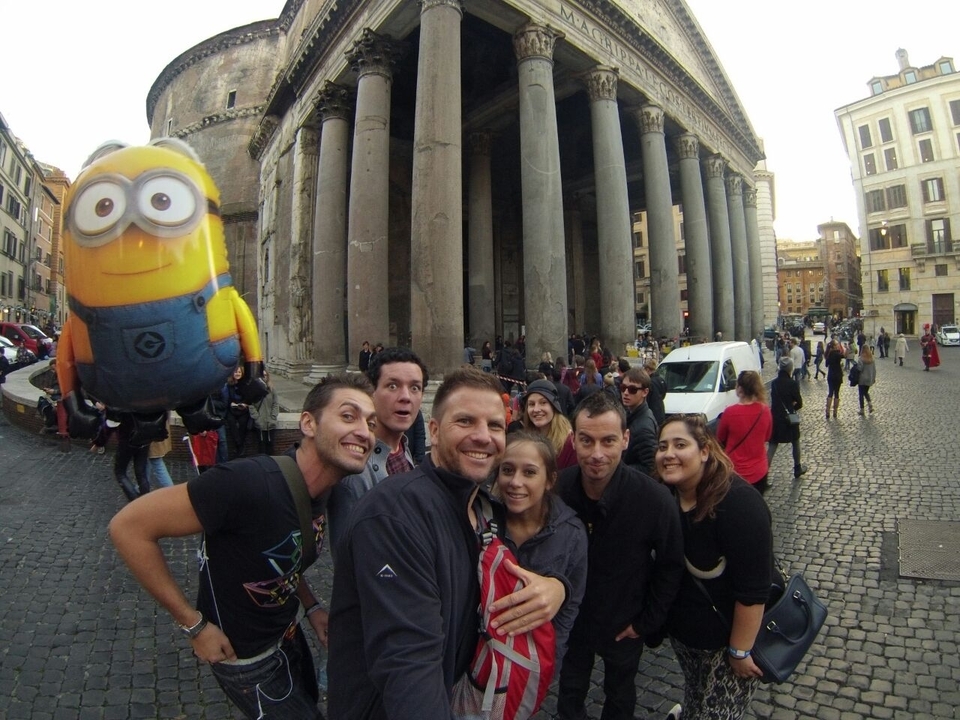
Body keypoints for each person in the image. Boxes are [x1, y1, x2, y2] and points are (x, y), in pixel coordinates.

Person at [109, 374, 377, 720]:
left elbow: (282, 558)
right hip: (246, 662)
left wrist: (311, 607)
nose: (365, 431)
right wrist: (194, 625)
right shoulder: (248, 483)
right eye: (348, 415)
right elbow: (128, 527)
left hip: (288, 638)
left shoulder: (323, 488)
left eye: (371, 423)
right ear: (308, 423)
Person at [327, 367, 566, 719]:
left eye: (495, 426)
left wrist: (559, 586)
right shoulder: (394, 514)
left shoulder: (480, 507)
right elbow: (408, 661)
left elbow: (562, 530)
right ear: (434, 431)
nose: (483, 437)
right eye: (466, 421)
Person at [555, 391, 684, 720]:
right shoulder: (558, 489)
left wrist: (646, 622)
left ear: (625, 439)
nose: (597, 454)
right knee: (569, 694)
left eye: (608, 441)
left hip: (624, 623)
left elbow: (670, 566)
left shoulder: (654, 500)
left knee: (621, 696)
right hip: (574, 622)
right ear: (574, 439)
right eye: (586, 441)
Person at [655, 414, 775, 720]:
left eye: (680, 444)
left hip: (726, 646)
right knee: (694, 697)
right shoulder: (666, 496)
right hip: (687, 639)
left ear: (705, 451)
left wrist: (739, 651)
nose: (668, 453)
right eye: (662, 446)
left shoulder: (739, 504)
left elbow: (753, 590)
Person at [495, 431, 588, 670]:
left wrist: (549, 662)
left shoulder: (571, 533)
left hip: (533, 662)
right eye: (507, 470)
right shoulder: (483, 520)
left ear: (549, 480)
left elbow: (570, 605)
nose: (515, 482)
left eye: (529, 472)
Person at [328, 347, 428, 555]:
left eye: (415, 388)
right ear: (371, 393)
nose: (405, 397)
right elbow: (350, 559)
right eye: (392, 386)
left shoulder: (403, 449)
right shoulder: (354, 474)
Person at [717, 371, 774, 493]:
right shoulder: (765, 410)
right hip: (759, 470)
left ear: (740, 389)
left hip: (735, 471)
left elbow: (720, 439)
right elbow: (767, 436)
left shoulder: (729, 412)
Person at [509, 378, 578, 470]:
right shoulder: (523, 439)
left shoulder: (570, 443)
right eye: (531, 404)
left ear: (554, 407)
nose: (536, 409)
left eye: (543, 403)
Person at [768, 358, 807, 479]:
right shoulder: (792, 384)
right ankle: (797, 467)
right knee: (795, 442)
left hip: (775, 417)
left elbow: (773, 401)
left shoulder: (774, 383)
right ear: (790, 368)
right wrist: (792, 405)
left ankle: (764, 472)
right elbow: (799, 403)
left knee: (773, 445)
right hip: (789, 418)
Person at [620, 367, 659, 476]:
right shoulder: (633, 414)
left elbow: (651, 467)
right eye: (623, 388)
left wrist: (619, 468)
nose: (626, 393)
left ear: (645, 392)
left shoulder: (643, 428)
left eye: (632, 389)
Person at [249, 370, 279, 455]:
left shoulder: (272, 389)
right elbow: (251, 405)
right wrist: (257, 417)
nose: (264, 377)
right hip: (260, 424)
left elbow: (275, 403)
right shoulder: (254, 390)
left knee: (271, 446)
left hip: (270, 423)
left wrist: (273, 416)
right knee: (261, 447)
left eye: (265, 375)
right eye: (262, 375)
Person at [224, 365, 252, 458]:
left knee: (243, 423)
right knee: (231, 422)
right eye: (236, 372)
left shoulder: (245, 384)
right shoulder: (229, 385)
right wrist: (231, 404)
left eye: (239, 372)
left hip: (243, 409)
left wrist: (245, 404)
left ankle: (240, 447)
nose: (237, 374)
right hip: (232, 409)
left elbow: (249, 398)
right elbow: (226, 398)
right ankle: (239, 444)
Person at [825, 339, 845, 419]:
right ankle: (835, 411)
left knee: (830, 392)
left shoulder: (829, 354)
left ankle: (827, 410)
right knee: (836, 393)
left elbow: (826, 364)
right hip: (837, 375)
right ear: (834, 346)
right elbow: (844, 355)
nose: (838, 345)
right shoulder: (837, 354)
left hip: (830, 375)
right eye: (837, 344)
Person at [644, 356, 667, 425]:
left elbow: (647, 398)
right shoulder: (661, 380)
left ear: (647, 369)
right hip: (661, 409)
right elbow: (664, 393)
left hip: (652, 411)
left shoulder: (649, 382)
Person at [856, 345, 877, 415]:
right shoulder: (872, 359)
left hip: (862, 379)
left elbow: (860, 368)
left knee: (861, 394)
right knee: (866, 392)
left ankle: (862, 409)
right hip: (869, 378)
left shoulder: (861, 358)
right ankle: (870, 404)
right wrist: (873, 378)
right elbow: (874, 370)